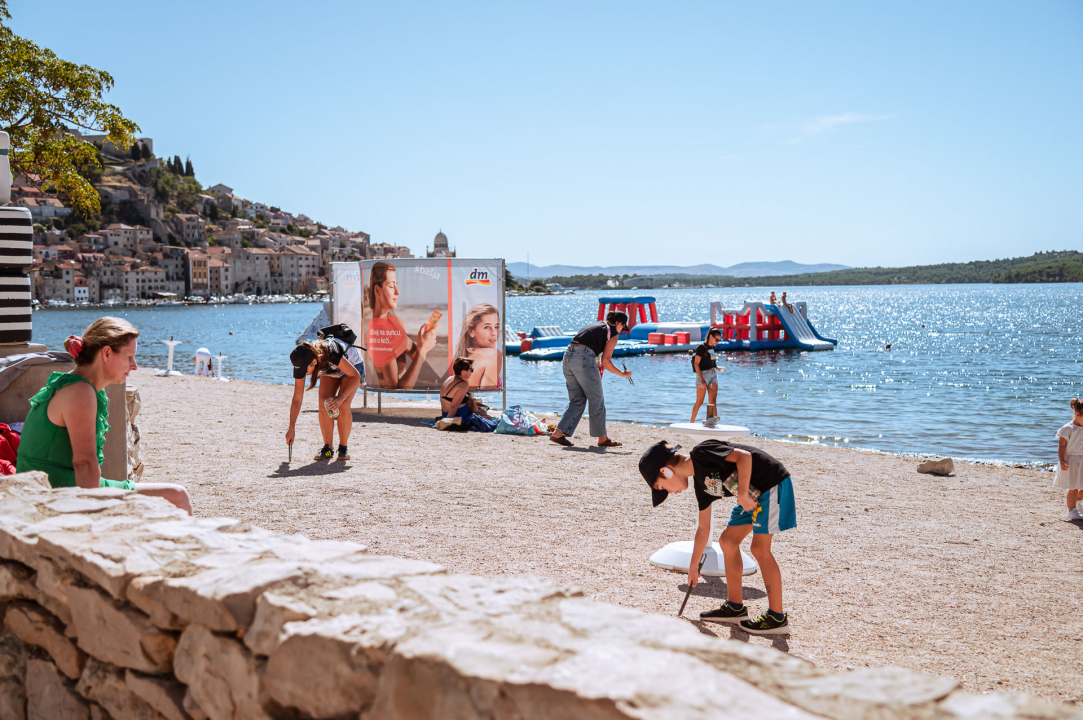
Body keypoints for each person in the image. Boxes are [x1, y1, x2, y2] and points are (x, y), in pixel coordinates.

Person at [16, 318, 192, 515]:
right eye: (129, 357)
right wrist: (96, 521)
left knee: (175, 495)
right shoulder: (80, 392)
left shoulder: (76, 385)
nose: (134, 365)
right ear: (107, 353)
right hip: (56, 494)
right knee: (176, 497)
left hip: (63, 487)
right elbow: (85, 464)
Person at [640, 439, 796, 635]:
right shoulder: (700, 485)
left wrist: (742, 495)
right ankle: (735, 607)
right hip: (750, 492)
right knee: (727, 542)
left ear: (666, 471)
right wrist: (693, 565)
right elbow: (703, 529)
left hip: (770, 483)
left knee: (759, 548)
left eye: (663, 488)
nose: (670, 492)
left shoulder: (702, 452)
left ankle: (776, 617)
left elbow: (743, 457)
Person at [550, 311, 631, 448]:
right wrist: (622, 374)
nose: (622, 331)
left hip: (568, 357)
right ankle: (602, 439)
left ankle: (558, 433)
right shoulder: (613, 334)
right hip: (583, 359)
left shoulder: (597, 325)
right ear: (618, 323)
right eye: (623, 327)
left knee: (577, 399)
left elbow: (585, 344)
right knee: (596, 399)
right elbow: (606, 361)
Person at [287, 337, 363, 460]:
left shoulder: (331, 353)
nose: (303, 374)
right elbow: (297, 398)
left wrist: (341, 397)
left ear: (314, 362)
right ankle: (328, 448)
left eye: (305, 370)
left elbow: (356, 377)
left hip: (352, 368)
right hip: (331, 369)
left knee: (342, 404)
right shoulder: (301, 362)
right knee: (324, 404)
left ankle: (343, 448)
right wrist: (291, 428)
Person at [365, 261, 437, 390]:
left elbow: (416, 356)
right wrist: (422, 350)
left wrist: (422, 343)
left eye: (396, 285)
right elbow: (396, 389)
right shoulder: (379, 330)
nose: (398, 292)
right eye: (392, 286)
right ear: (377, 290)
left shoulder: (396, 321)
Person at [438, 357, 498, 432]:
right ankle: (496, 420)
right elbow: (454, 406)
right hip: (457, 415)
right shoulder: (462, 384)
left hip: (446, 413)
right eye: (471, 370)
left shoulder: (450, 378)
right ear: (463, 371)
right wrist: (447, 421)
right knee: (484, 416)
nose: (472, 372)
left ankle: (494, 419)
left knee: (480, 412)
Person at [455, 303, 501, 389]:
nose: (494, 333)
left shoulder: (464, 356)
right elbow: (488, 393)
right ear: (471, 332)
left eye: (497, 327)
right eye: (487, 327)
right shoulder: (493, 355)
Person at [1055, 398, 1083, 522]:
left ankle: (1078, 505)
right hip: (1072, 463)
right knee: (1073, 488)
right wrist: (1062, 460)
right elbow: (1061, 445)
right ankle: (1071, 511)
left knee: (1081, 489)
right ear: (1077, 414)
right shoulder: (1068, 428)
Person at [691, 329, 724, 424]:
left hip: (713, 374)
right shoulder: (701, 348)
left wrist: (718, 368)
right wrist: (702, 380)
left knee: (713, 401)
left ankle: (714, 423)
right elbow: (696, 364)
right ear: (710, 337)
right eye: (716, 340)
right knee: (700, 402)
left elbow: (711, 362)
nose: (717, 342)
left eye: (719, 340)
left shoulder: (712, 347)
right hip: (703, 375)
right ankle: (691, 423)